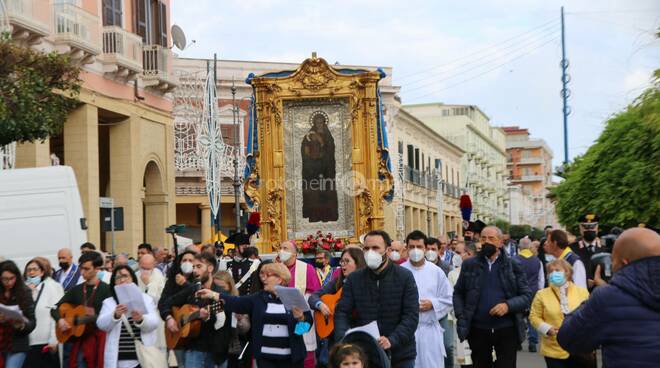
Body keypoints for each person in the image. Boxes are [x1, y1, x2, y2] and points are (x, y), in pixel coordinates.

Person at [558, 228, 660, 368]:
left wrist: (599, 295)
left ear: (625, 263)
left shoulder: (608, 298)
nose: (611, 266)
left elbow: (569, 338)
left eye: (612, 260)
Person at [197, 262, 313, 368]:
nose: (263, 279)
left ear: (280, 279)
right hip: (265, 359)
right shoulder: (258, 298)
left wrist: (301, 319)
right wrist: (213, 294)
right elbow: (236, 302)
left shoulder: (294, 296)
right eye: (262, 275)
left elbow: (306, 327)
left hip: (291, 360)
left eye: (268, 275)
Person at [334, 230, 419, 368]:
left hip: (401, 353)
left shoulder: (404, 277)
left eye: (375, 248)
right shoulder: (354, 279)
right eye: (366, 248)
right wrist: (343, 341)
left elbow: (411, 316)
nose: (370, 252)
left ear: (388, 250)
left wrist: (392, 340)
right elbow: (342, 312)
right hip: (366, 354)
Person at [453, 226, 532, 368]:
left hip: (507, 329)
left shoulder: (513, 265)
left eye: (491, 238)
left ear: (501, 243)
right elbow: (458, 292)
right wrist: (461, 315)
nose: (486, 242)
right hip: (478, 329)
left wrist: (508, 306)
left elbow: (526, 295)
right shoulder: (470, 265)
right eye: (483, 238)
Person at [161, 252, 228, 367]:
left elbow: (223, 322)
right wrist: (169, 318)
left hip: (213, 351)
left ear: (210, 268)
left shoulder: (220, 294)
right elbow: (166, 303)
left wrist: (207, 316)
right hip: (192, 348)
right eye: (193, 267)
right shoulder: (192, 289)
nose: (195, 271)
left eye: (199, 266)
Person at [401, 230, 453, 368]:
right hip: (407, 332)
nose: (415, 250)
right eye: (412, 247)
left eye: (419, 247)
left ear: (425, 248)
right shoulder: (400, 271)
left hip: (429, 330)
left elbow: (448, 298)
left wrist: (433, 304)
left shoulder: (436, 271)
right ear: (406, 248)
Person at [51, 251, 111, 368]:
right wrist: (60, 320)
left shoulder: (106, 289)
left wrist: (90, 318)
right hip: (80, 339)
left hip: (99, 339)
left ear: (97, 268)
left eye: (86, 269)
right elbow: (55, 308)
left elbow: (109, 316)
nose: (82, 272)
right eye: (81, 268)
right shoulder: (77, 290)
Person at [310, 248, 366, 367]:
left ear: (358, 262)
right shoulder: (337, 282)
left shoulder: (365, 284)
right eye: (342, 261)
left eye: (347, 261)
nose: (343, 265)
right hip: (335, 337)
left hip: (356, 335)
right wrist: (321, 305)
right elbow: (313, 297)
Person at [97, 265, 161, 368]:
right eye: (118, 277)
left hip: (141, 358)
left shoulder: (146, 299)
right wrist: (115, 315)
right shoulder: (109, 302)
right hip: (118, 359)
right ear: (114, 282)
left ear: (133, 279)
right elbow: (101, 324)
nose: (122, 280)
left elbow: (154, 322)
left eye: (125, 276)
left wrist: (141, 320)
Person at [529, 260, 590, 368]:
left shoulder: (582, 292)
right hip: (553, 348)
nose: (553, 273)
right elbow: (534, 316)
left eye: (557, 270)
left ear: (567, 272)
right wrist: (547, 328)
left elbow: (589, 316)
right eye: (550, 271)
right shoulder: (541, 294)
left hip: (578, 348)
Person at [277, 241, 321, 368]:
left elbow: (316, 293)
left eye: (285, 248)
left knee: (304, 348)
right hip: (282, 317)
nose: (281, 251)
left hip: (302, 316)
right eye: (280, 248)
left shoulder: (307, 268)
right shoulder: (275, 268)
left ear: (295, 253)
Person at [158, 250, 197, 367]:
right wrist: (168, 317)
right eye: (184, 260)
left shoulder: (198, 280)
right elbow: (162, 303)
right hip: (177, 332)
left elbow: (197, 292)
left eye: (191, 260)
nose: (187, 263)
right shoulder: (172, 282)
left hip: (195, 333)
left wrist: (185, 284)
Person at [23, 257, 64, 368]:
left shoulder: (52, 287)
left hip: (45, 343)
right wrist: (28, 293)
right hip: (28, 343)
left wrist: (54, 339)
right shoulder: (24, 290)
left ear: (42, 272)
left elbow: (55, 314)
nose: (31, 272)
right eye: (28, 270)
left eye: (35, 269)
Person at [0, 261, 36, 368]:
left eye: (12, 278)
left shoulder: (25, 292)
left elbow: (32, 322)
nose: (9, 282)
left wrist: (22, 325)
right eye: (5, 279)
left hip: (17, 343)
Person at [213, 271, 250, 368]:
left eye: (222, 288)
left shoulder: (237, 301)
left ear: (230, 286)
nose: (220, 291)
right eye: (217, 288)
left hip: (231, 347)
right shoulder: (211, 302)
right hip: (215, 346)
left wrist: (240, 320)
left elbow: (244, 329)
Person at [514, 236, 545, 353]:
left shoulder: (514, 260)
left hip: (518, 293)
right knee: (532, 317)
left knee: (518, 317)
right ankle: (532, 341)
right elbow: (541, 279)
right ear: (530, 247)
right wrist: (539, 292)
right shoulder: (537, 261)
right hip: (533, 292)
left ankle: (518, 341)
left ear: (519, 247)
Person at [448, 242, 476, 368]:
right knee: (465, 361)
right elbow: (450, 299)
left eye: (459, 253)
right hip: (461, 322)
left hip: (480, 323)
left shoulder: (484, 271)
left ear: (469, 253)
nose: (456, 255)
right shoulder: (453, 274)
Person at [569, 214, 607, 289]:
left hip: (602, 293)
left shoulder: (606, 248)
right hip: (580, 293)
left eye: (592, 226)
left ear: (597, 228)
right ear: (580, 228)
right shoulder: (572, 249)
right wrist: (584, 282)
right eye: (586, 227)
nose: (590, 230)